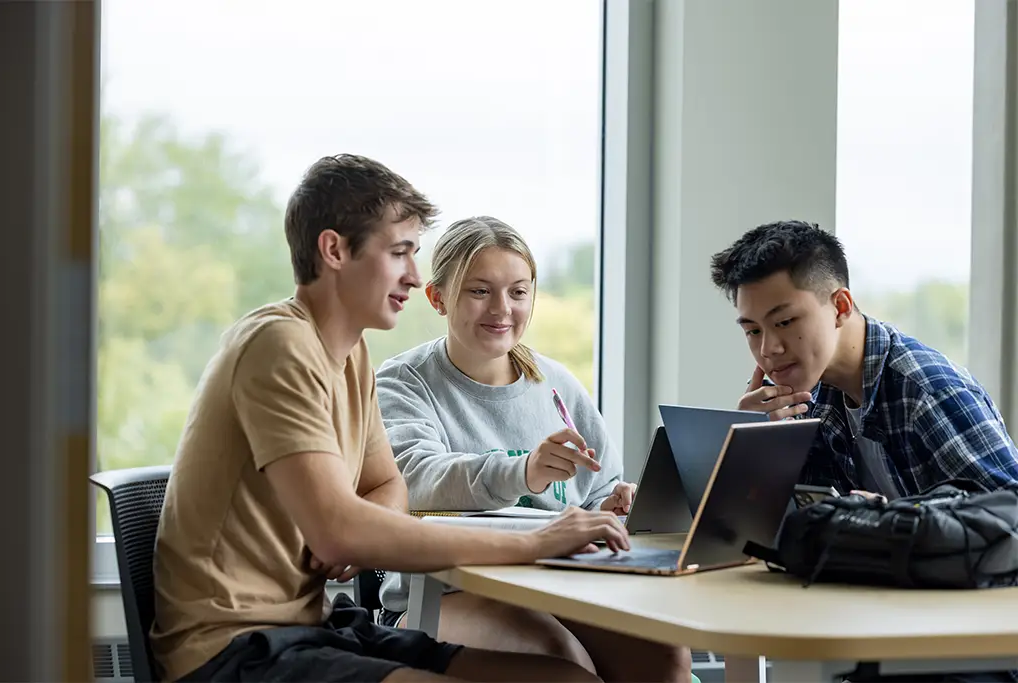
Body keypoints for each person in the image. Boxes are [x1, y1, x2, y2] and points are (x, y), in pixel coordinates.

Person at [149, 155, 632, 683]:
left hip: (312, 626)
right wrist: (536, 541)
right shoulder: (279, 344)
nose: (414, 276)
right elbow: (338, 532)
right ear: (334, 250)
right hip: (233, 649)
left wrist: (360, 526)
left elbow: (386, 484)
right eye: (399, 253)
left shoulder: (349, 356)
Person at [374, 216, 693, 683]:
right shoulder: (404, 382)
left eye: (518, 292)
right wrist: (524, 472)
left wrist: (612, 505)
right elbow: (416, 482)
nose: (502, 309)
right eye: (480, 291)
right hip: (441, 597)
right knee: (562, 662)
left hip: (557, 588)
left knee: (667, 659)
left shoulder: (556, 384)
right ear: (438, 298)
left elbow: (595, 492)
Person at [709, 220, 1018, 500]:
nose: (767, 349)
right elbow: (772, 531)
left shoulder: (927, 391)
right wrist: (750, 448)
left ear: (841, 307)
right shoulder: (804, 399)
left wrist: (890, 519)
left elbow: (1011, 515)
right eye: (752, 330)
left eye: (785, 322)